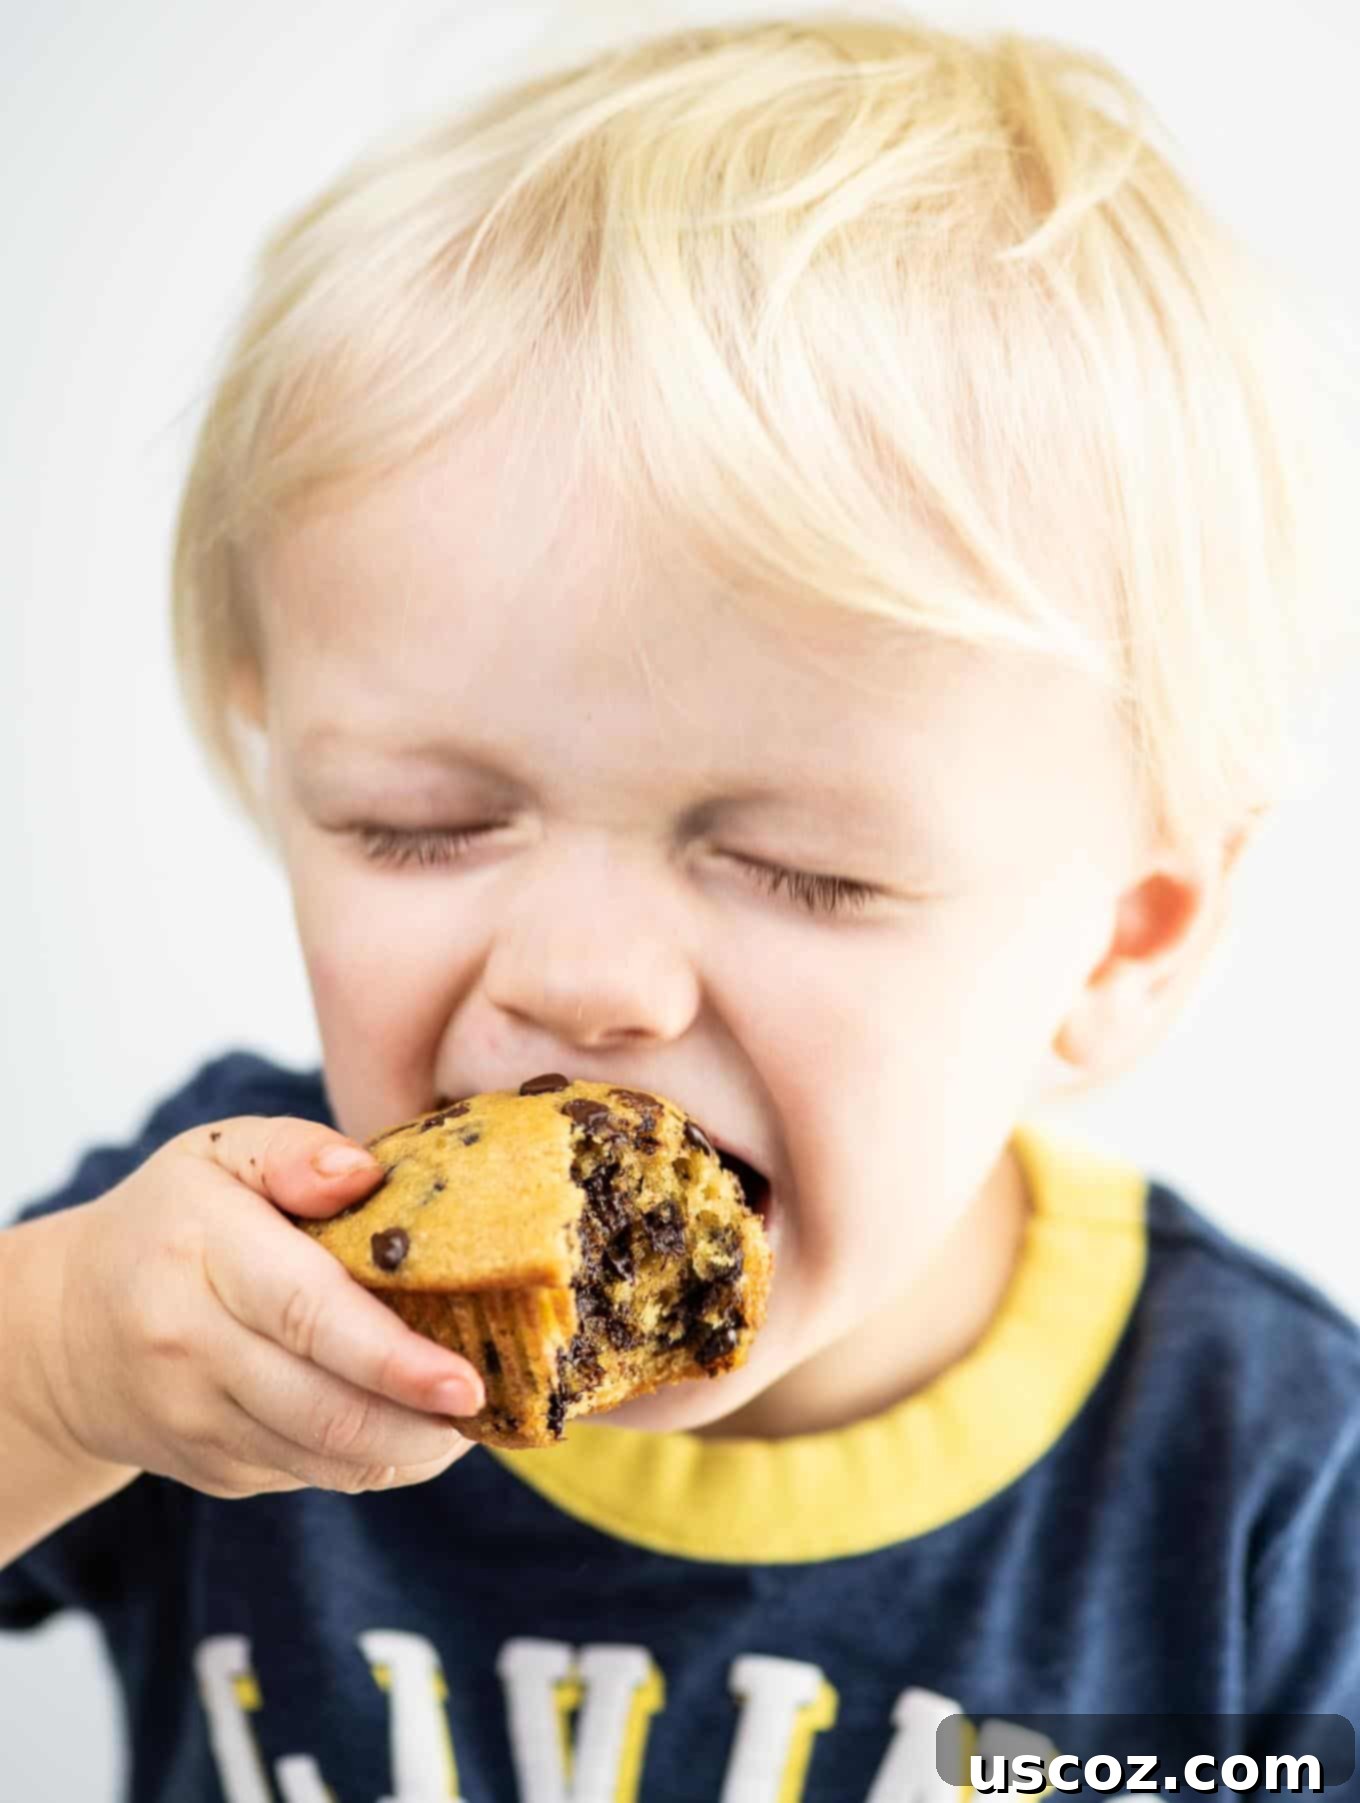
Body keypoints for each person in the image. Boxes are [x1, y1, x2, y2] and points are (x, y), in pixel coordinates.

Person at [3, 13, 1357, 1801]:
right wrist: (49, 1377)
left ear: (1122, 942)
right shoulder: (194, 1295)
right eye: (423, 822)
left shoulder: (1266, 1487)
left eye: (807, 867)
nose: (583, 985)